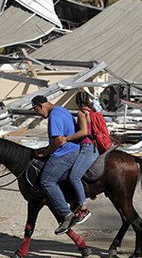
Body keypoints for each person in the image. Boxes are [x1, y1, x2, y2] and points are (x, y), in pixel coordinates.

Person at [31, 95, 81, 235]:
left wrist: (46, 153)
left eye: (37, 111)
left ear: (41, 106)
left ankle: (67, 215)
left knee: (46, 181)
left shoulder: (54, 116)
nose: (39, 115)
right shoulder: (61, 110)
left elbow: (58, 140)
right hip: (72, 149)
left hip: (66, 153)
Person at [60, 91, 99, 228]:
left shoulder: (82, 113)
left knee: (74, 177)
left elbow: (84, 132)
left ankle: (83, 208)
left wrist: (66, 138)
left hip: (87, 147)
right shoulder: (92, 111)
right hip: (92, 146)